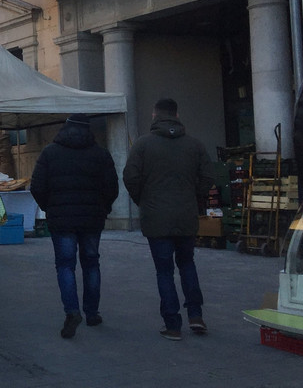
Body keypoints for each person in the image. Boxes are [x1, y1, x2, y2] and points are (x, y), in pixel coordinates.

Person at [123, 98, 215, 340]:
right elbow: (208, 176)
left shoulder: (143, 145)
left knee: (164, 271)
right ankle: (196, 315)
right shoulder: (194, 145)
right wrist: (194, 197)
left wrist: (142, 199)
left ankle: (172, 324)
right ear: (177, 114)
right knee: (187, 264)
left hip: (156, 218)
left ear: (154, 115)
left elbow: (130, 176)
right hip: (186, 216)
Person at [30, 114, 119, 339]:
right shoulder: (100, 154)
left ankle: (72, 311)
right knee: (91, 263)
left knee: (65, 265)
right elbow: (112, 188)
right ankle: (92, 312)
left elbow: (37, 186)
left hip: (62, 220)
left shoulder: (50, 152)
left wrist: (49, 208)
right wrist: (103, 209)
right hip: (92, 219)